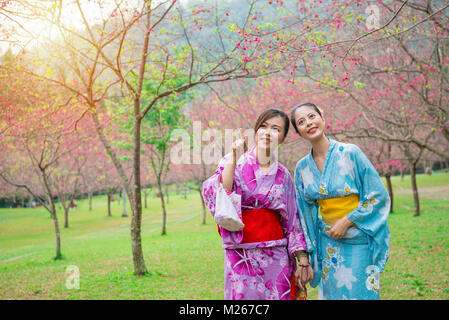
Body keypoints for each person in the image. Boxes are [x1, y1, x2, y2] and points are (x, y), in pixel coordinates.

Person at [202, 108, 313, 300]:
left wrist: (302, 257)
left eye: (275, 129)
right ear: (256, 131)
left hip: (276, 254)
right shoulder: (234, 161)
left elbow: (293, 219)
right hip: (241, 253)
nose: (268, 132)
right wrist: (233, 158)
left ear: (283, 137)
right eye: (264, 126)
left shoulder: (284, 175)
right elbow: (223, 193)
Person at [290, 102, 391, 300]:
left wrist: (347, 221)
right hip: (328, 245)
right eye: (301, 122)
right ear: (299, 132)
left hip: (360, 239)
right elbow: (303, 214)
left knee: (364, 294)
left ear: (322, 117)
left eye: (312, 116)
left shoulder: (351, 152)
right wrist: (306, 255)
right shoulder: (302, 168)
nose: (309, 123)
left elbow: (377, 195)